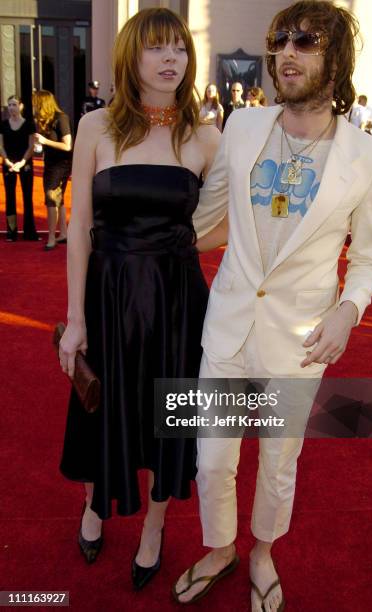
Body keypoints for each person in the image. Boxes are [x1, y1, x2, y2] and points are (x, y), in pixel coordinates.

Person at [173, 1, 372, 610]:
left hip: (298, 342)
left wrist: (348, 311)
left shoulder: (371, 159)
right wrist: (143, 240)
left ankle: (263, 551)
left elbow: (371, 257)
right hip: (227, 328)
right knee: (212, 463)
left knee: (277, 465)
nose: (287, 52)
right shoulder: (242, 128)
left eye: (305, 41)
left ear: (335, 60)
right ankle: (220, 549)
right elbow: (209, 220)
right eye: (280, 41)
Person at [58, 7, 220, 591]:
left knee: (168, 420)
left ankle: (154, 528)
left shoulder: (205, 136)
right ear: (132, 57)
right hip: (108, 294)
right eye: (156, 48)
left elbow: (225, 224)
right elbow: (78, 228)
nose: (171, 58)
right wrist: (75, 318)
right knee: (101, 405)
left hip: (179, 301)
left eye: (178, 47)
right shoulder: (97, 128)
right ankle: (95, 506)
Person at [32, 90, 73, 250]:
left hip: (61, 164)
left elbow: (67, 145)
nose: (35, 107)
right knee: (59, 199)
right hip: (50, 163)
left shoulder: (61, 118)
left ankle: (51, 237)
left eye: (37, 104)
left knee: (51, 198)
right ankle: (63, 233)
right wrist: (40, 146)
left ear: (44, 104)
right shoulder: (44, 121)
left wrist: (44, 141)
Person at [0, 95, 39, 241]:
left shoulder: (29, 124)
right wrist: (7, 161)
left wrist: (22, 162)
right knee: (10, 197)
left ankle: (29, 232)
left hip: (25, 162)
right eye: (9, 105)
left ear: (21, 106)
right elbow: (0, 145)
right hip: (8, 164)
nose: (11, 108)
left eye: (14, 105)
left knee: (27, 196)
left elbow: (31, 146)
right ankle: (11, 231)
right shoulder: (3, 124)